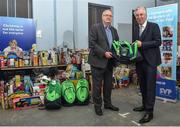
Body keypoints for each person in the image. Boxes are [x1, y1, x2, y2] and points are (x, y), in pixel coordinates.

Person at [132, 7, 161, 123]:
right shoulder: (135, 28)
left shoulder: (154, 26)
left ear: (146, 15)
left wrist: (142, 44)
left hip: (151, 62)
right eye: (137, 15)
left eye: (141, 14)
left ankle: (149, 112)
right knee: (143, 86)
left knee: (150, 88)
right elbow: (135, 44)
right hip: (139, 62)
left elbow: (158, 42)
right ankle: (144, 105)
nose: (139, 17)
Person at [88, 9, 119, 116]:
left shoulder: (114, 30)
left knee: (108, 85)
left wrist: (118, 53)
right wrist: (104, 53)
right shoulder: (95, 28)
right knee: (97, 86)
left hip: (109, 63)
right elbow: (92, 43)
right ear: (102, 17)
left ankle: (108, 104)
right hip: (97, 62)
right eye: (106, 15)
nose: (108, 17)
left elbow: (116, 45)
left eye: (110, 15)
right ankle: (97, 107)